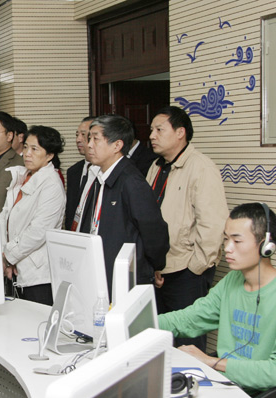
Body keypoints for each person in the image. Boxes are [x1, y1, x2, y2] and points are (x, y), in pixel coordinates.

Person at [159, 203, 276, 394]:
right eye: (226, 239)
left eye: (237, 241)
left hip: (254, 397)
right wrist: (142, 323)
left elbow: (273, 372)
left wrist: (211, 362)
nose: (227, 248)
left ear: (266, 246)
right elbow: (190, 318)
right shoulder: (232, 281)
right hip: (221, 383)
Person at [147, 106, 228, 351]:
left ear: (180, 132)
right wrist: (155, 263)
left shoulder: (201, 167)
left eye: (159, 130)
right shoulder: (157, 167)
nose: (152, 136)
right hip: (162, 269)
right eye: (151, 130)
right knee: (160, 339)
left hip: (187, 271)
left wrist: (196, 268)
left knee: (187, 343)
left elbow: (213, 224)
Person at [80, 115, 169, 299]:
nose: (89, 145)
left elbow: (154, 232)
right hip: (99, 272)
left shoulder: (131, 181)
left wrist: (154, 266)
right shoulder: (99, 177)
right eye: (89, 139)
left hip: (125, 277)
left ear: (117, 145)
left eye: (96, 139)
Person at [0, 125, 65, 305]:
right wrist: (6, 255)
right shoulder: (22, 176)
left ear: (49, 155)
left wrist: (9, 256)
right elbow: (5, 218)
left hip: (38, 272)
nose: (27, 153)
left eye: (35, 149)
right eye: (26, 147)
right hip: (16, 265)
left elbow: (39, 231)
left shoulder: (51, 184)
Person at [64, 116, 96, 230]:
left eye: (83, 134)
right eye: (77, 135)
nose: (78, 139)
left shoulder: (104, 171)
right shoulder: (73, 171)